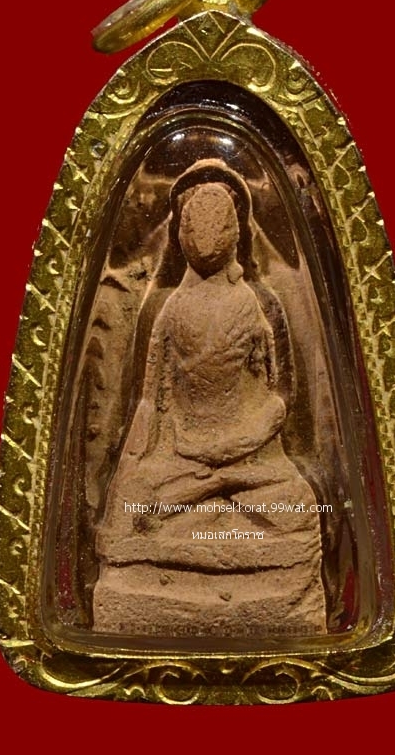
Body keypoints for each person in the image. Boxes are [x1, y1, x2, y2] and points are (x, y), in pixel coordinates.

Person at [93, 169, 326, 637]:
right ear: (180, 235)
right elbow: (149, 399)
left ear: (236, 232)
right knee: (132, 505)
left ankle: (208, 511)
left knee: (298, 507)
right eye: (192, 228)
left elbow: (281, 397)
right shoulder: (167, 309)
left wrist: (237, 446)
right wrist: (134, 464)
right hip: (178, 456)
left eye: (218, 227)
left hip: (251, 458)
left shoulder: (260, 303)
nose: (204, 241)